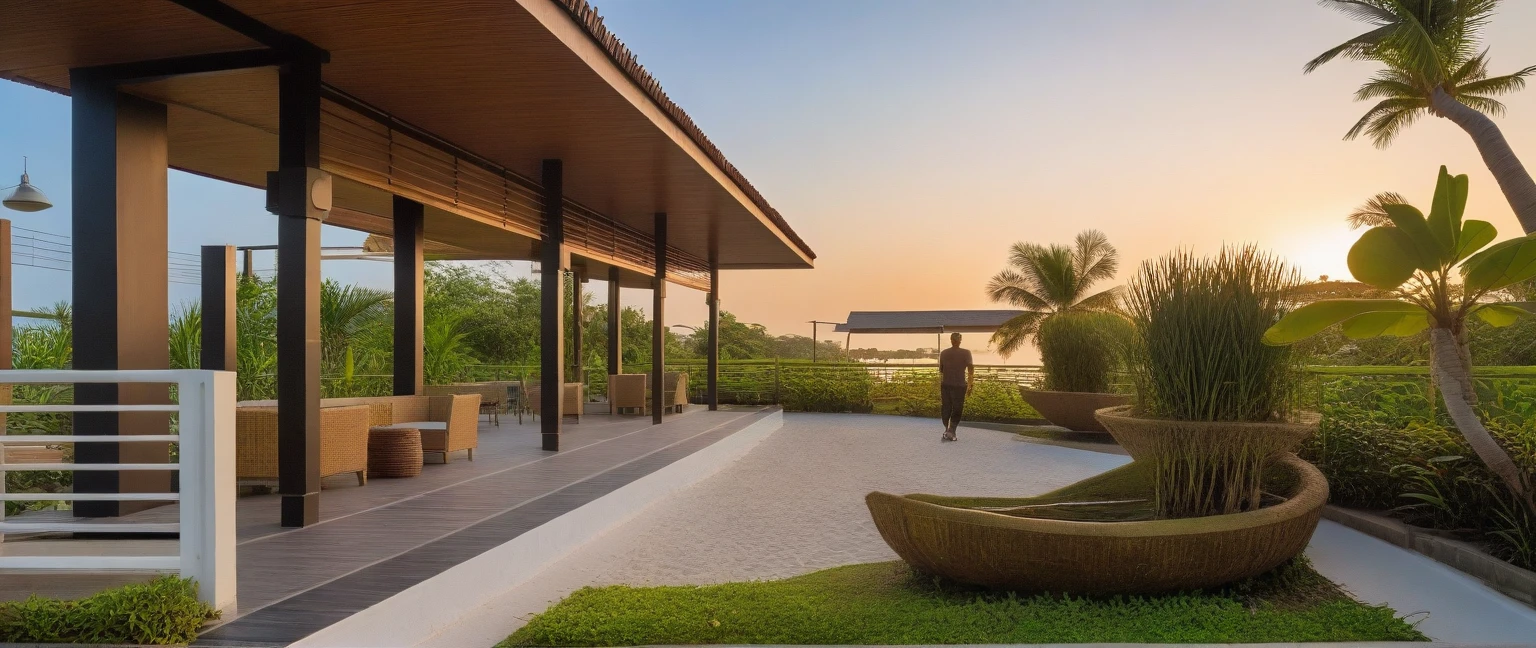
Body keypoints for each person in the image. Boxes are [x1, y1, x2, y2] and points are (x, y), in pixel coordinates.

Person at [937, 332, 974, 442]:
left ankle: (948, 430)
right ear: (960, 340)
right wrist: (970, 385)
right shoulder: (966, 353)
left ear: (951, 340)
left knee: (946, 407)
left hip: (947, 384)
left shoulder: (944, 353)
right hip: (959, 385)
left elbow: (941, 370)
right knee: (957, 408)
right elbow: (971, 370)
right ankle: (951, 430)